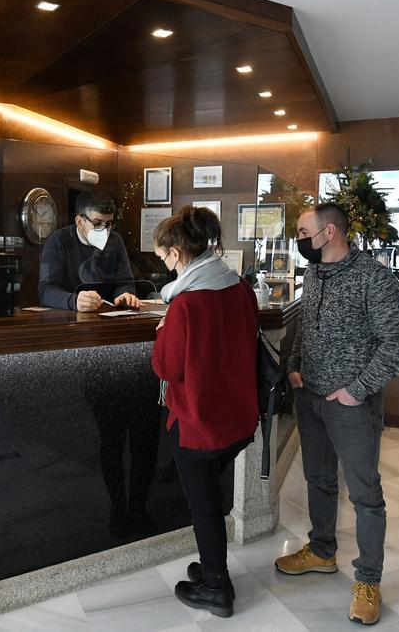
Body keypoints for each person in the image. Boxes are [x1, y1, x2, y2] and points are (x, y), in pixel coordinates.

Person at [273, 203, 399, 626]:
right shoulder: (314, 273)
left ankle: (368, 580)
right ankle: (322, 551)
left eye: (302, 232)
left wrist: (356, 391)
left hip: (351, 405)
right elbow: (306, 327)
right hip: (309, 397)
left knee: (366, 495)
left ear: (328, 232)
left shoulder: (374, 278)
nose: (298, 240)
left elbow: (397, 345)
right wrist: (295, 364)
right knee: (318, 479)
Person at [152, 206, 259, 618]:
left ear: (177, 253)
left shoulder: (184, 307)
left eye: (163, 257)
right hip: (236, 419)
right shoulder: (238, 287)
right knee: (211, 498)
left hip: (198, 424)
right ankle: (213, 567)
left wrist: (161, 334)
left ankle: (217, 587)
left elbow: (167, 368)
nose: (164, 265)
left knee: (204, 507)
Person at [38, 190, 141, 312]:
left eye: (108, 224)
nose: (104, 231)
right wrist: (74, 301)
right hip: (69, 319)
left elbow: (125, 282)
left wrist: (124, 295)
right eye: (97, 224)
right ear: (80, 222)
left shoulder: (115, 240)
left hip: (107, 317)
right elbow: (46, 291)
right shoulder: (57, 241)